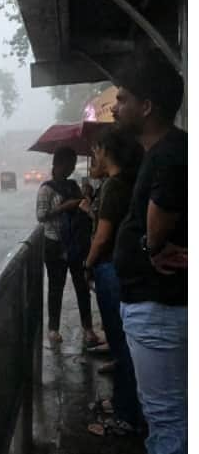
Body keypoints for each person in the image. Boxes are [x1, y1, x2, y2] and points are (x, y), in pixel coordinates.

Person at [111, 51, 187, 454]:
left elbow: (155, 236)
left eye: (122, 98)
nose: (115, 106)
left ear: (147, 106)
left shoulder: (169, 154)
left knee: (168, 421)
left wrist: (144, 249)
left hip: (160, 310)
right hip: (158, 307)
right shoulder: (165, 151)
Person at [81, 128, 144, 436]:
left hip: (110, 270)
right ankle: (123, 404)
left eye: (96, 151)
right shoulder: (121, 184)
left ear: (107, 151)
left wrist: (87, 264)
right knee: (123, 345)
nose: (94, 156)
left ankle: (126, 416)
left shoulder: (115, 187)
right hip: (119, 269)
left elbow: (103, 236)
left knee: (121, 345)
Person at [35, 146, 100, 347]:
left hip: (75, 244)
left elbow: (85, 209)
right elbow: (41, 215)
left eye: (73, 165)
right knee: (56, 287)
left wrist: (86, 196)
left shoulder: (73, 186)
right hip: (54, 244)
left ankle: (88, 328)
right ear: (58, 164)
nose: (71, 169)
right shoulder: (46, 189)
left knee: (82, 286)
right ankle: (53, 329)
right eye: (68, 165)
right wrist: (64, 207)